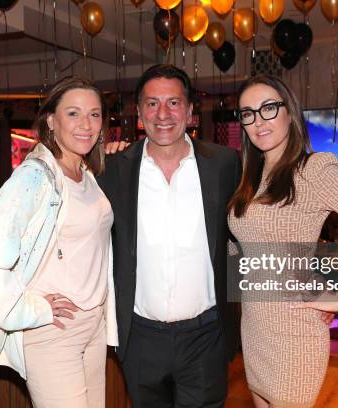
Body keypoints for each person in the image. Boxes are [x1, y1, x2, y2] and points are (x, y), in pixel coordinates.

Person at [227, 75, 338, 407]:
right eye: (248, 113)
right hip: (254, 327)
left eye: (269, 108)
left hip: (295, 331)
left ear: (289, 112)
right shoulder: (249, 178)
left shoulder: (313, 169)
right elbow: (250, 244)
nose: (258, 121)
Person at [0, 77, 118, 408]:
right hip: (55, 331)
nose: (86, 124)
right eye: (74, 113)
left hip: (93, 325)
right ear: (51, 122)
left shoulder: (85, 174)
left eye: (95, 115)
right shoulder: (35, 177)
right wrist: (29, 309)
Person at [97, 64, 241, 408]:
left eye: (174, 103)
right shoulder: (113, 170)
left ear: (190, 111)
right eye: (152, 103)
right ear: (139, 112)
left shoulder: (224, 164)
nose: (163, 114)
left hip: (206, 336)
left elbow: (246, 233)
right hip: (140, 338)